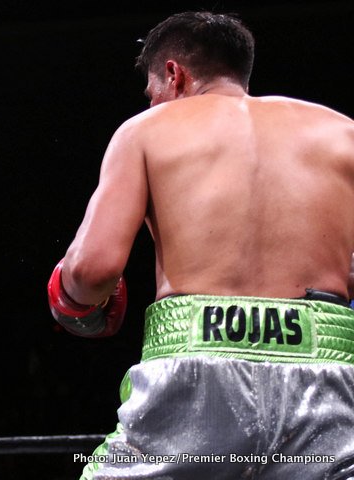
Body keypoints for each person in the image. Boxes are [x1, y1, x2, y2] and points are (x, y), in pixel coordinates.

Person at [48, 11, 354, 480]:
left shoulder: (145, 131)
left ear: (174, 73)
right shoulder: (342, 132)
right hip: (326, 367)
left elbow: (93, 272)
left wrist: (70, 299)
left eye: (152, 94)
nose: (153, 105)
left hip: (198, 366)